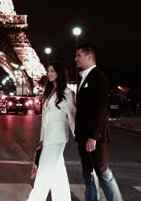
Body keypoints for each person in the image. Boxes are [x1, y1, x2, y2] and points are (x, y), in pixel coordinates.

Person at [74, 44, 123, 201]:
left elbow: (101, 109)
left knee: (103, 171)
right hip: (82, 135)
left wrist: (93, 136)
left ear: (89, 56)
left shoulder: (99, 77)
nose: (75, 58)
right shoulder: (82, 78)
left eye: (78, 55)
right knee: (88, 171)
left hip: (94, 137)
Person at [27, 62, 75, 201]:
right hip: (48, 137)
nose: (48, 74)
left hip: (58, 136)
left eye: (52, 71)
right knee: (58, 172)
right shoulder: (49, 92)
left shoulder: (68, 93)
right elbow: (44, 120)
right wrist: (41, 140)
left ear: (59, 73)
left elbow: (73, 117)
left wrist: (81, 137)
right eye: (48, 71)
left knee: (44, 172)